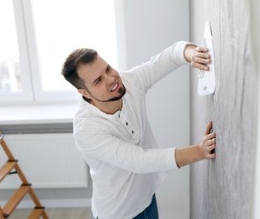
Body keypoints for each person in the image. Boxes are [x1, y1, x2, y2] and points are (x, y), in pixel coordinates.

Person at [61, 41, 216, 219]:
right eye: (98, 80)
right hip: (118, 213)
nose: (111, 79)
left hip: (147, 199)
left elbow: (167, 58)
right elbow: (139, 160)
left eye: (108, 69)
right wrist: (199, 151)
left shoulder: (129, 82)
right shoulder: (86, 130)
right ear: (85, 93)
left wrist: (193, 54)